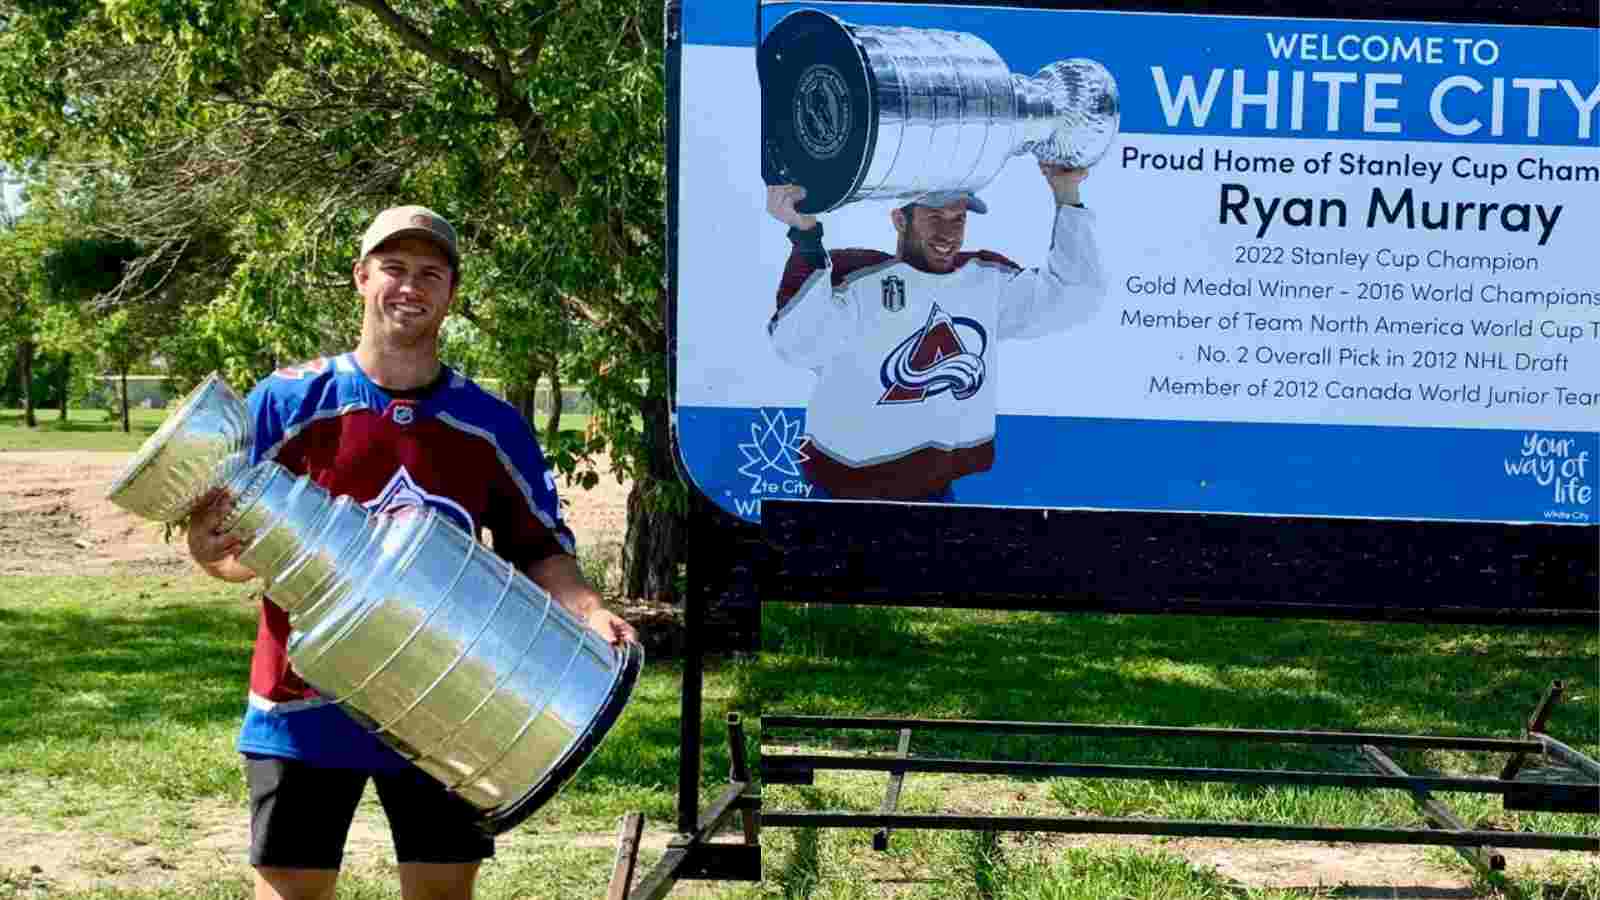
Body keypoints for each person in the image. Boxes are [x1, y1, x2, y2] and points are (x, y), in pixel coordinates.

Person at [183, 204, 637, 900]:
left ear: (451, 293)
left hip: (450, 695)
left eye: (430, 273)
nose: (409, 287)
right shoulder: (286, 400)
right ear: (362, 278)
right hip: (299, 706)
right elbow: (218, 540)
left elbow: (539, 548)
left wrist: (588, 612)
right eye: (393, 268)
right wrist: (211, 549)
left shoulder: (489, 424)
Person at [765, 162, 1108, 501]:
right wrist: (806, 236)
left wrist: (1067, 193)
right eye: (934, 218)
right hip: (838, 494)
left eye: (958, 218)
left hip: (934, 495)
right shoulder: (856, 280)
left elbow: (1074, 297)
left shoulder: (984, 280)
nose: (949, 234)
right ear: (900, 220)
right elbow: (797, 345)